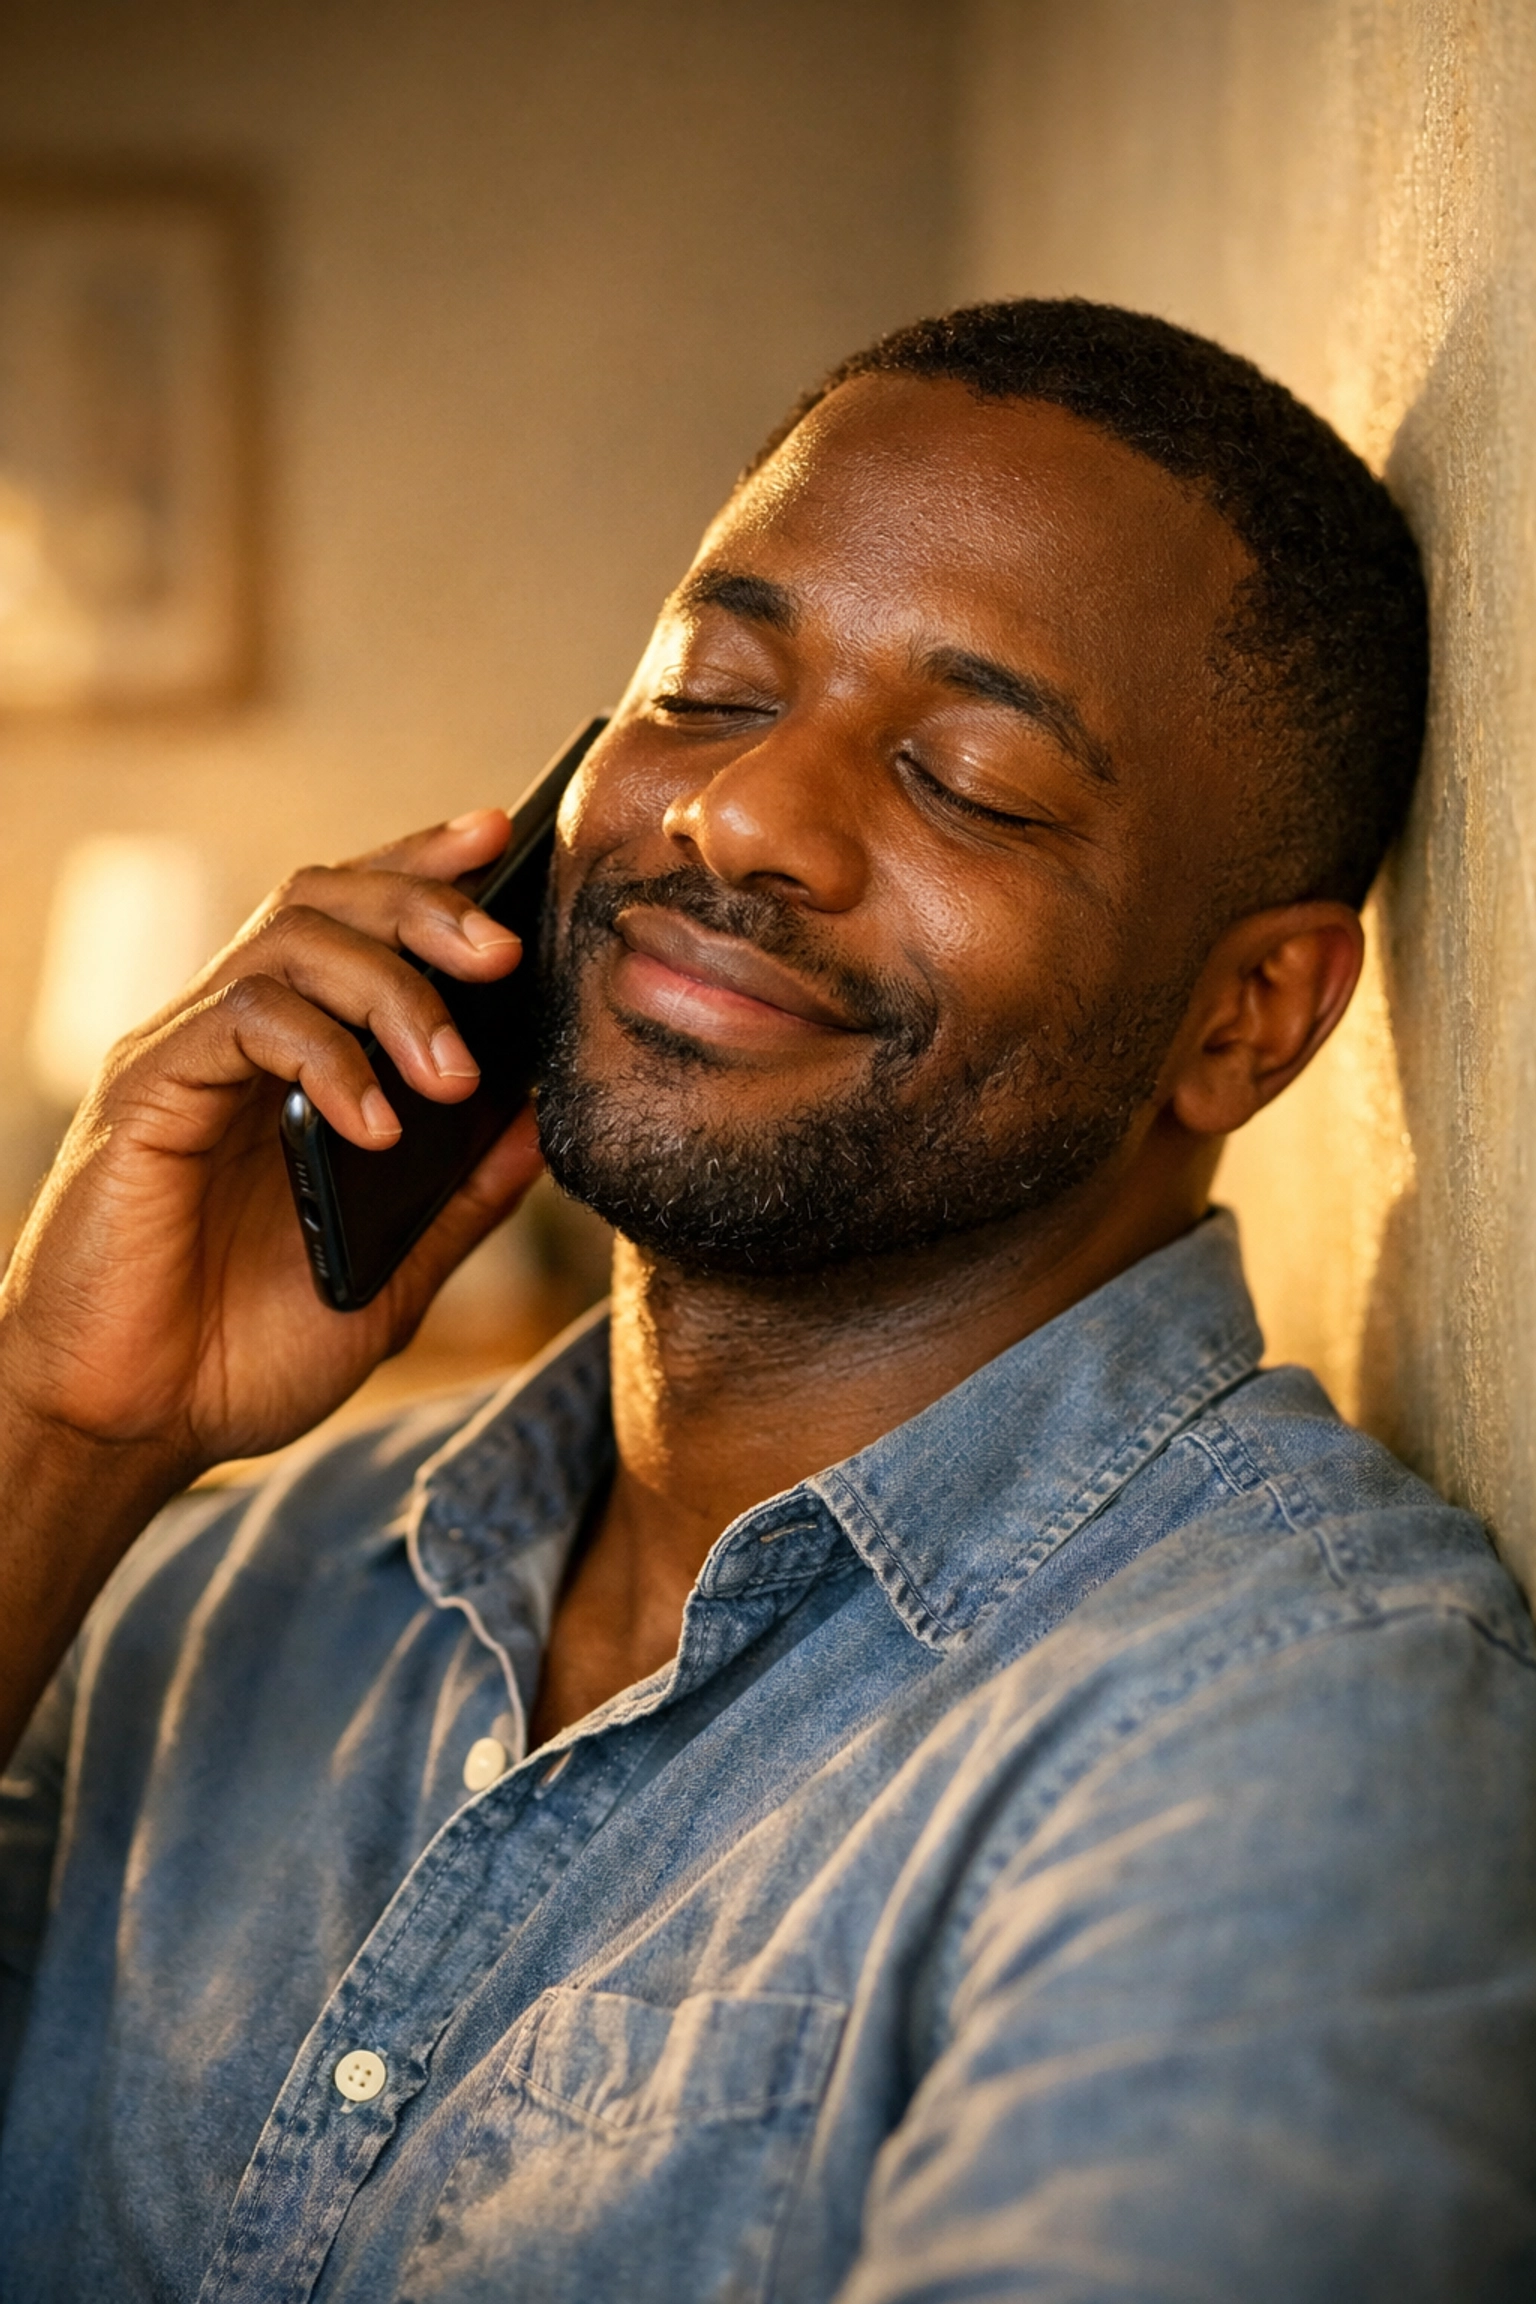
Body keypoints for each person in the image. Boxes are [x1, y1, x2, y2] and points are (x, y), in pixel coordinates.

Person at [0, 298, 1531, 2303]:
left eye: (971, 783)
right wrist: (60, 1431)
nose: (741, 820)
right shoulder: (222, 1597)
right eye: (711, 688)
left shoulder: (1290, 1738)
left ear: (1246, 1020)